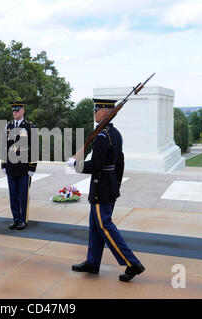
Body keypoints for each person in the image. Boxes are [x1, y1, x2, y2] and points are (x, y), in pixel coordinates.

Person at [67, 98, 145, 282]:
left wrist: (77, 165)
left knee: (105, 226)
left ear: (104, 112)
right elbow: (120, 162)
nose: (94, 113)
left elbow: (95, 165)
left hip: (101, 187)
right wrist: (116, 184)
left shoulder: (103, 136)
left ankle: (132, 263)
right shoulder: (115, 133)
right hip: (107, 185)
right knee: (95, 226)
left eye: (96, 110)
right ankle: (93, 262)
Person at [2, 101, 37, 230]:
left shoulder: (30, 127)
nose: (15, 112)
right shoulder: (8, 126)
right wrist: (3, 164)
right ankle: (16, 219)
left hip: (24, 167)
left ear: (23, 111)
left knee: (23, 196)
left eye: (17, 110)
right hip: (11, 166)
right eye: (13, 110)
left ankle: (23, 219)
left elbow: (34, 147)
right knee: (13, 195)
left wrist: (32, 167)